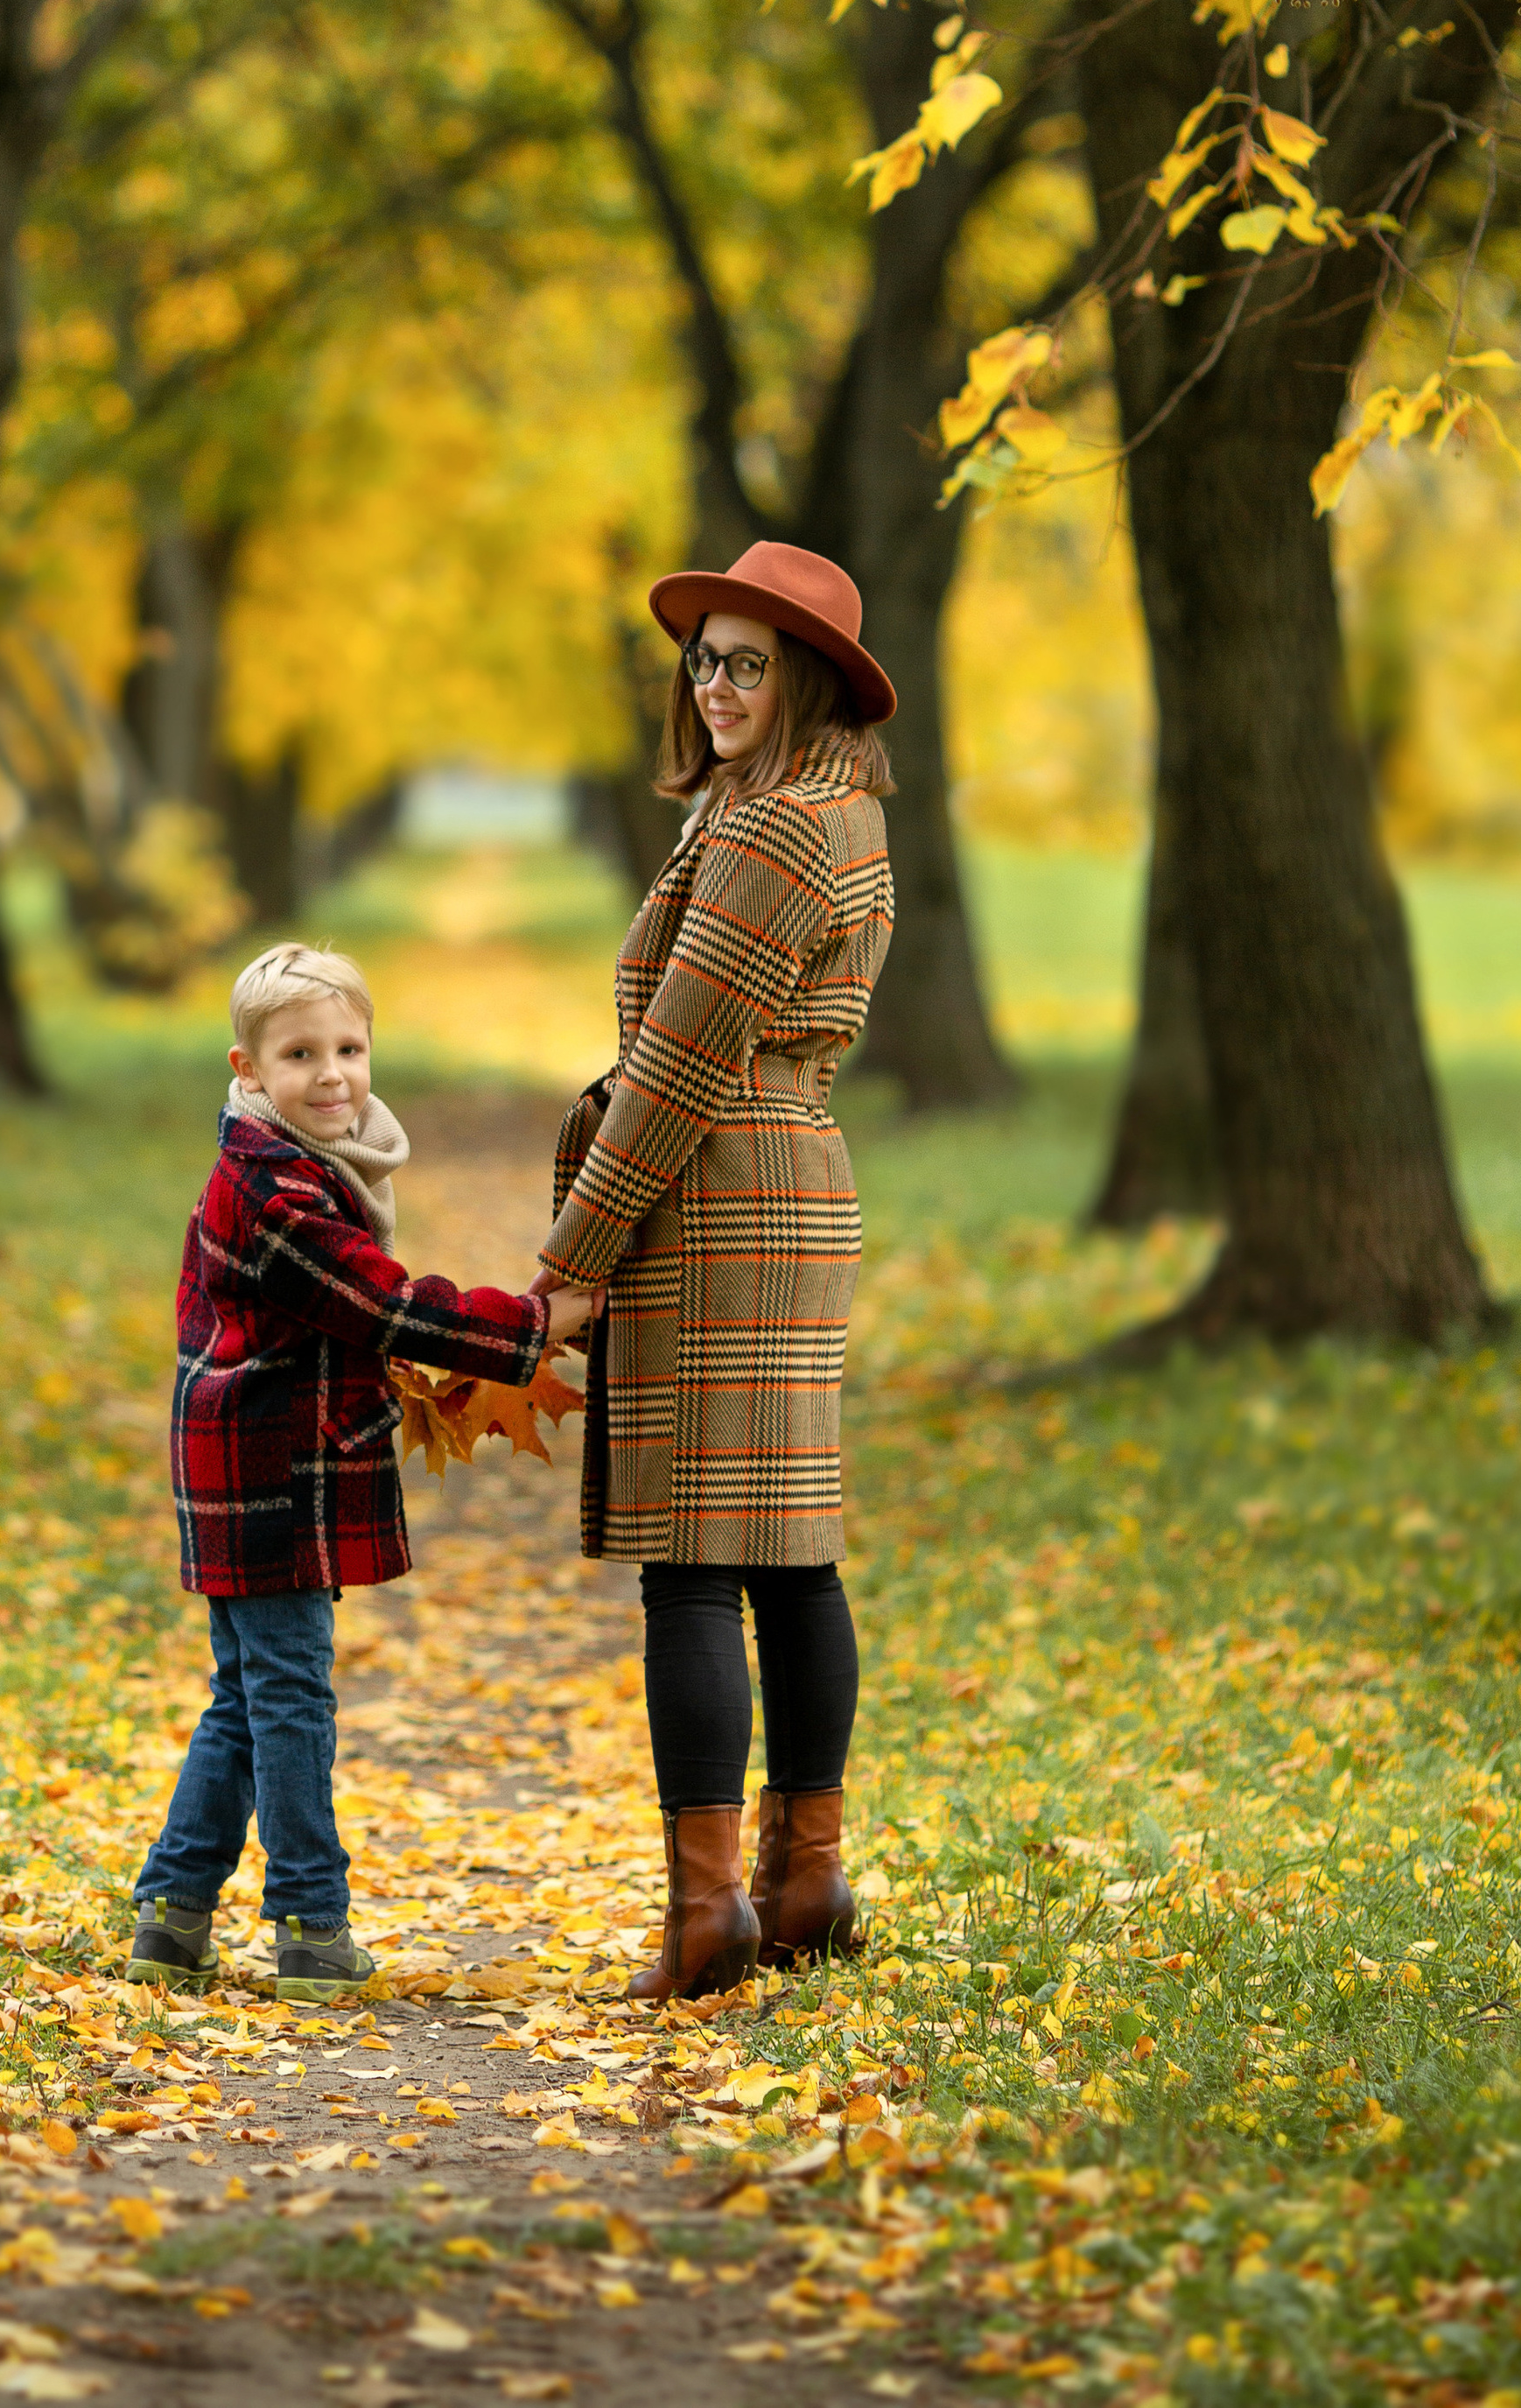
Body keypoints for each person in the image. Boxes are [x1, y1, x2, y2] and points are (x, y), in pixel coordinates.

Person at [540, 542, 897, 2002]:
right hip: (793, 1178)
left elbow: (680, 1061)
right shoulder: (835, 816)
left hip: (718, 1196)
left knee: (693, 1564)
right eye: (706, 658)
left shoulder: (771, 835)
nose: (720, 682)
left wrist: (574, 1262)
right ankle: (803, 1877)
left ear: (807, 677)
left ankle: (708, 1917)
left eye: (752, 660)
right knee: (791, 1549)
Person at [130, 940, 597, 2004]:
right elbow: (382, 1304)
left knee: (246, 1696)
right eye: (300, 1054)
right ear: (246, 1070)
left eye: (349, 1046)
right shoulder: (272, 1188)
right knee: (289, 1695)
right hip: (265, 1464)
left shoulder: (299, 1164)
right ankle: (310, 1923)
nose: (332, 1073)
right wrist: (530, 1327)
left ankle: (172, 1913)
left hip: (258, 1455)